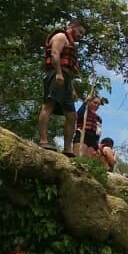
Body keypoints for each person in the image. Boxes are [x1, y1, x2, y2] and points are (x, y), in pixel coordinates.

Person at [38, 20, 87, 156]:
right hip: (56, 74)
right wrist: (58, 73)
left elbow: (69, 70)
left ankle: (67, 149)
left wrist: (71, 89)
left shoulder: (71, 44)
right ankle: (43, 141)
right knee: (49, 105)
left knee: (72, 115)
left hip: (66, 78)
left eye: (83, 34)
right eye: (80, 32)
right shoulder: (61, 36)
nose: (81, 36)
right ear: (72, 27)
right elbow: (54, 54)